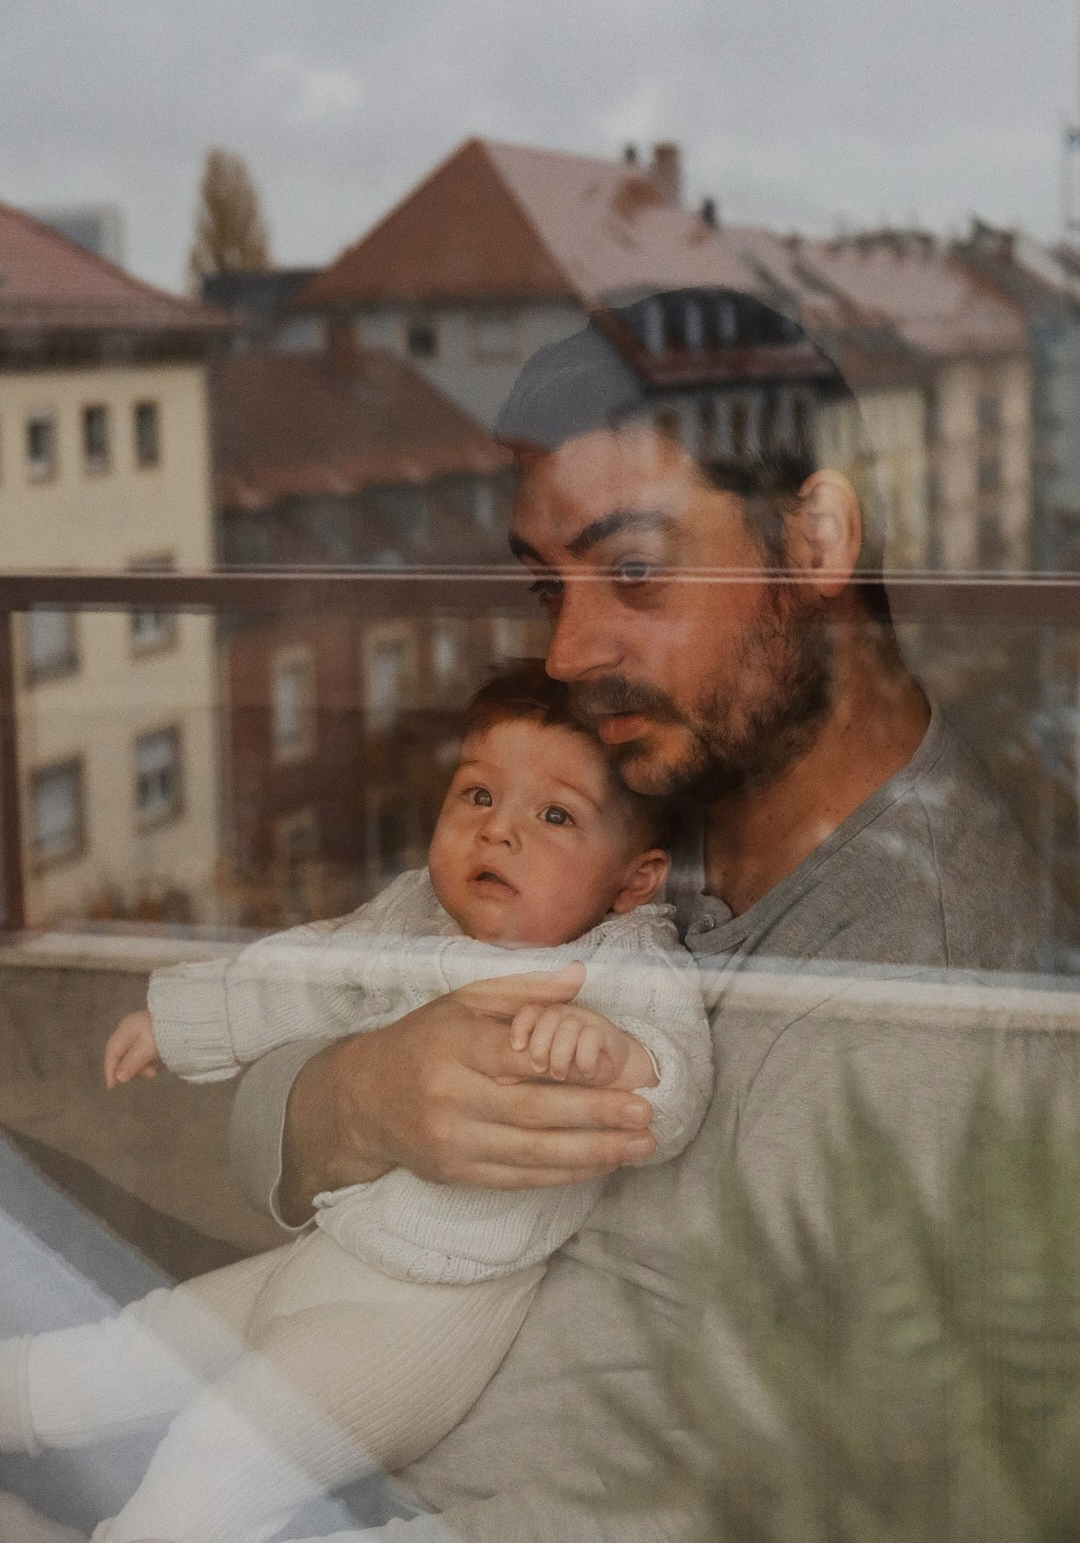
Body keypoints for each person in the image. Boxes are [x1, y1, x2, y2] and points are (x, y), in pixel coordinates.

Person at [224, 289, 1045, 1542]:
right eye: (552, 587)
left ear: (817, 541)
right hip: (273, 1415)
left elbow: (753, 1495)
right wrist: (365, 1096)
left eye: (635, 572)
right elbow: (256, 1116)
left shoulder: (909, 980)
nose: (564, 652)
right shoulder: (645, 810)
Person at [0, 665, 710, 1543]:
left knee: (224, 1446)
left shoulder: (623, 965)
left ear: (635, 881)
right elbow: (306, 971)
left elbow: (676, 1084)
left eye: (553, 815)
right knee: (146, 1341)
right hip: (327, 1256)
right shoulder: (414, 916)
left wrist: (619, 1056)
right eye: (478, 794)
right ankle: (19, 1395)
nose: (500, 829)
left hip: (419, 1327)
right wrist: (177, 1022)